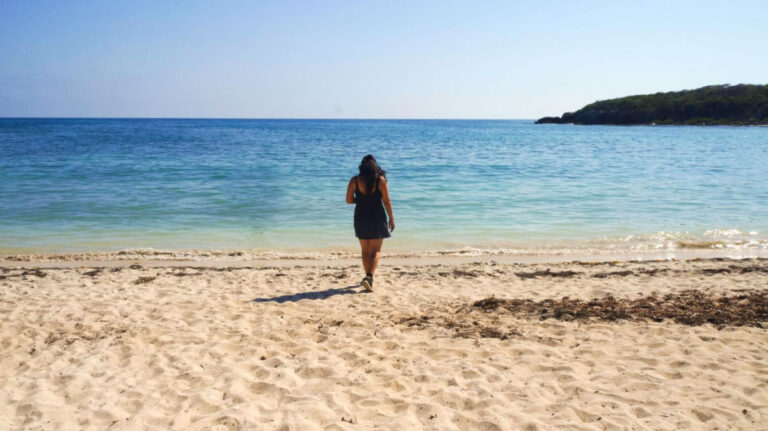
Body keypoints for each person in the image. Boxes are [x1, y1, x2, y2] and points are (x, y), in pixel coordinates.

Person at [346, 154, 395, 291]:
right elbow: (386, 201)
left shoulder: (354, 180)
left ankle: (367, 276)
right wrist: (391, 217)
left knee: (365, 250)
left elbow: (349, 200)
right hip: (377, 216)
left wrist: (361, 200)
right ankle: (369, 277)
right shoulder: (380, 180)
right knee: (375, 250)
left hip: (360, 216)